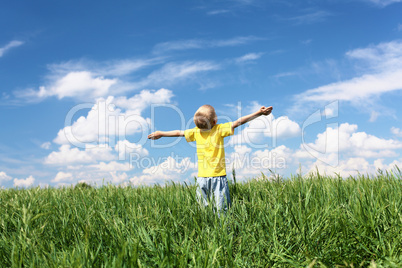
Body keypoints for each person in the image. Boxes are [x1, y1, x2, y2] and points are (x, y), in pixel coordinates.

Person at [148, 104, 273, 214]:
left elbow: (178, 133)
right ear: (214, 121)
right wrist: (259, 113)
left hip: (202, 179)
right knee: (221, 209)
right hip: (218, 177)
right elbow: (239, 121)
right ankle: (224, 232)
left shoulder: (196, 132)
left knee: (203, 209)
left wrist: (161, 133)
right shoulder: (219, 129)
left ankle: (206, 228)